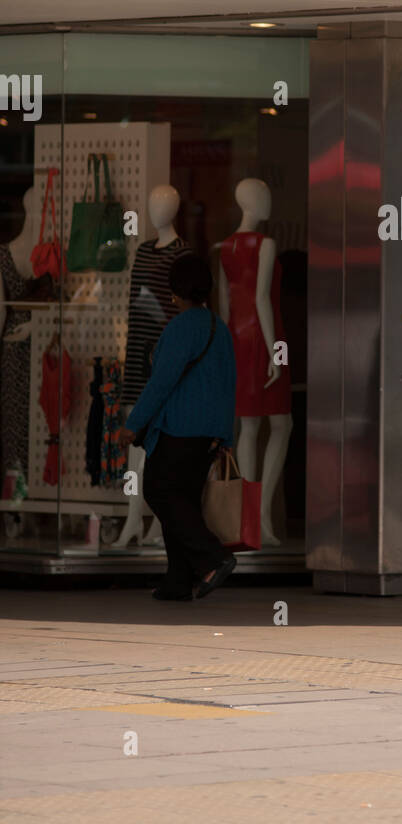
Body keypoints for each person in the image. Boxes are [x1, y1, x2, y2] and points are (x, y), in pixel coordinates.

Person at [119, 252, 237, 601]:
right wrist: (226, 434)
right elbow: (229, 383)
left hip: (180, 427)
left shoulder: (179, 328)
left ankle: (213, 558)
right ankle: (178, 580)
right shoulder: (219, 328)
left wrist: (133, 423)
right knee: (184, 499)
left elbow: (161, 383)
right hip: (209, 433)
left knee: (158, 489)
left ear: (175, 291)